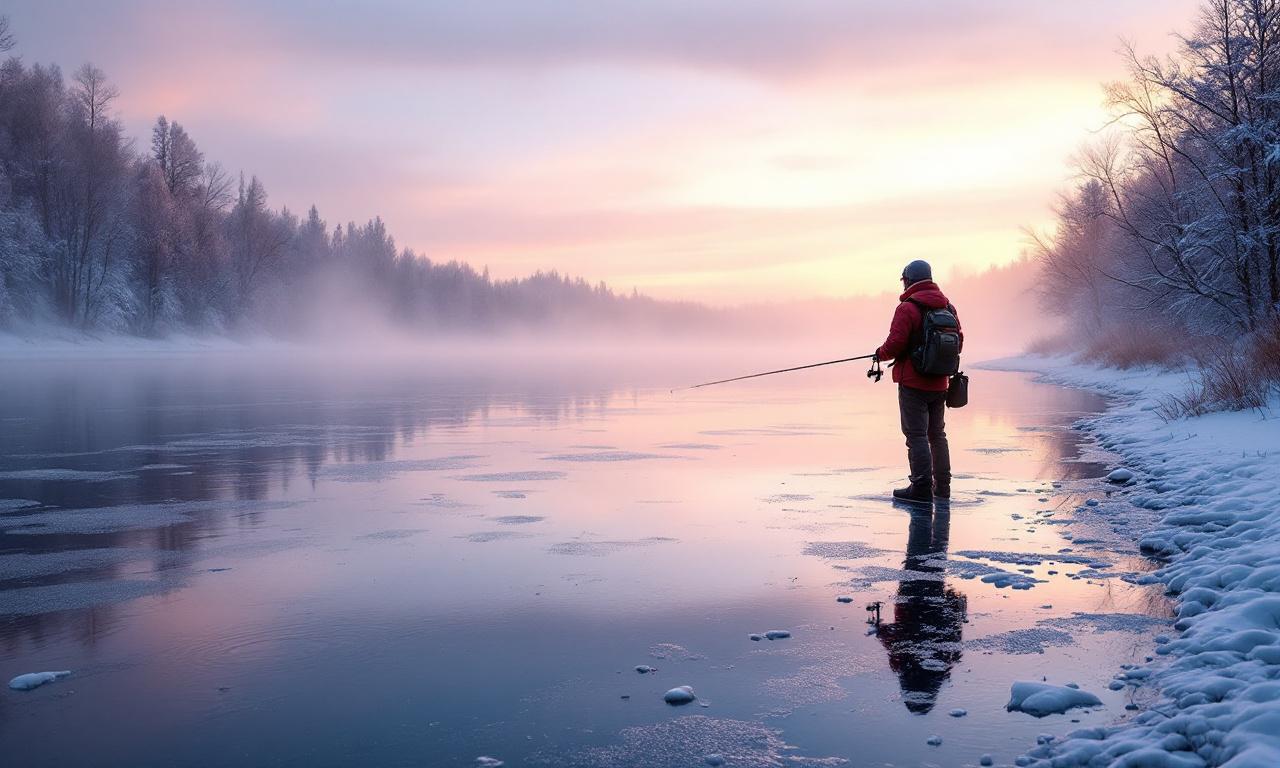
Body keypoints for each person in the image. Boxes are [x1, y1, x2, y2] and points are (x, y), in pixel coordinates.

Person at [874, 260, 962, 503]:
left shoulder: (907, 308)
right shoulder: (948, 307)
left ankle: (921, 487)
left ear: (909, 280)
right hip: (940, 382)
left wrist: (879, 354)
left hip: (913, 382)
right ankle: (942, 487)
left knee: (917, 435)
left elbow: (895, 345)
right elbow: (959, 343)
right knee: (937, 434)